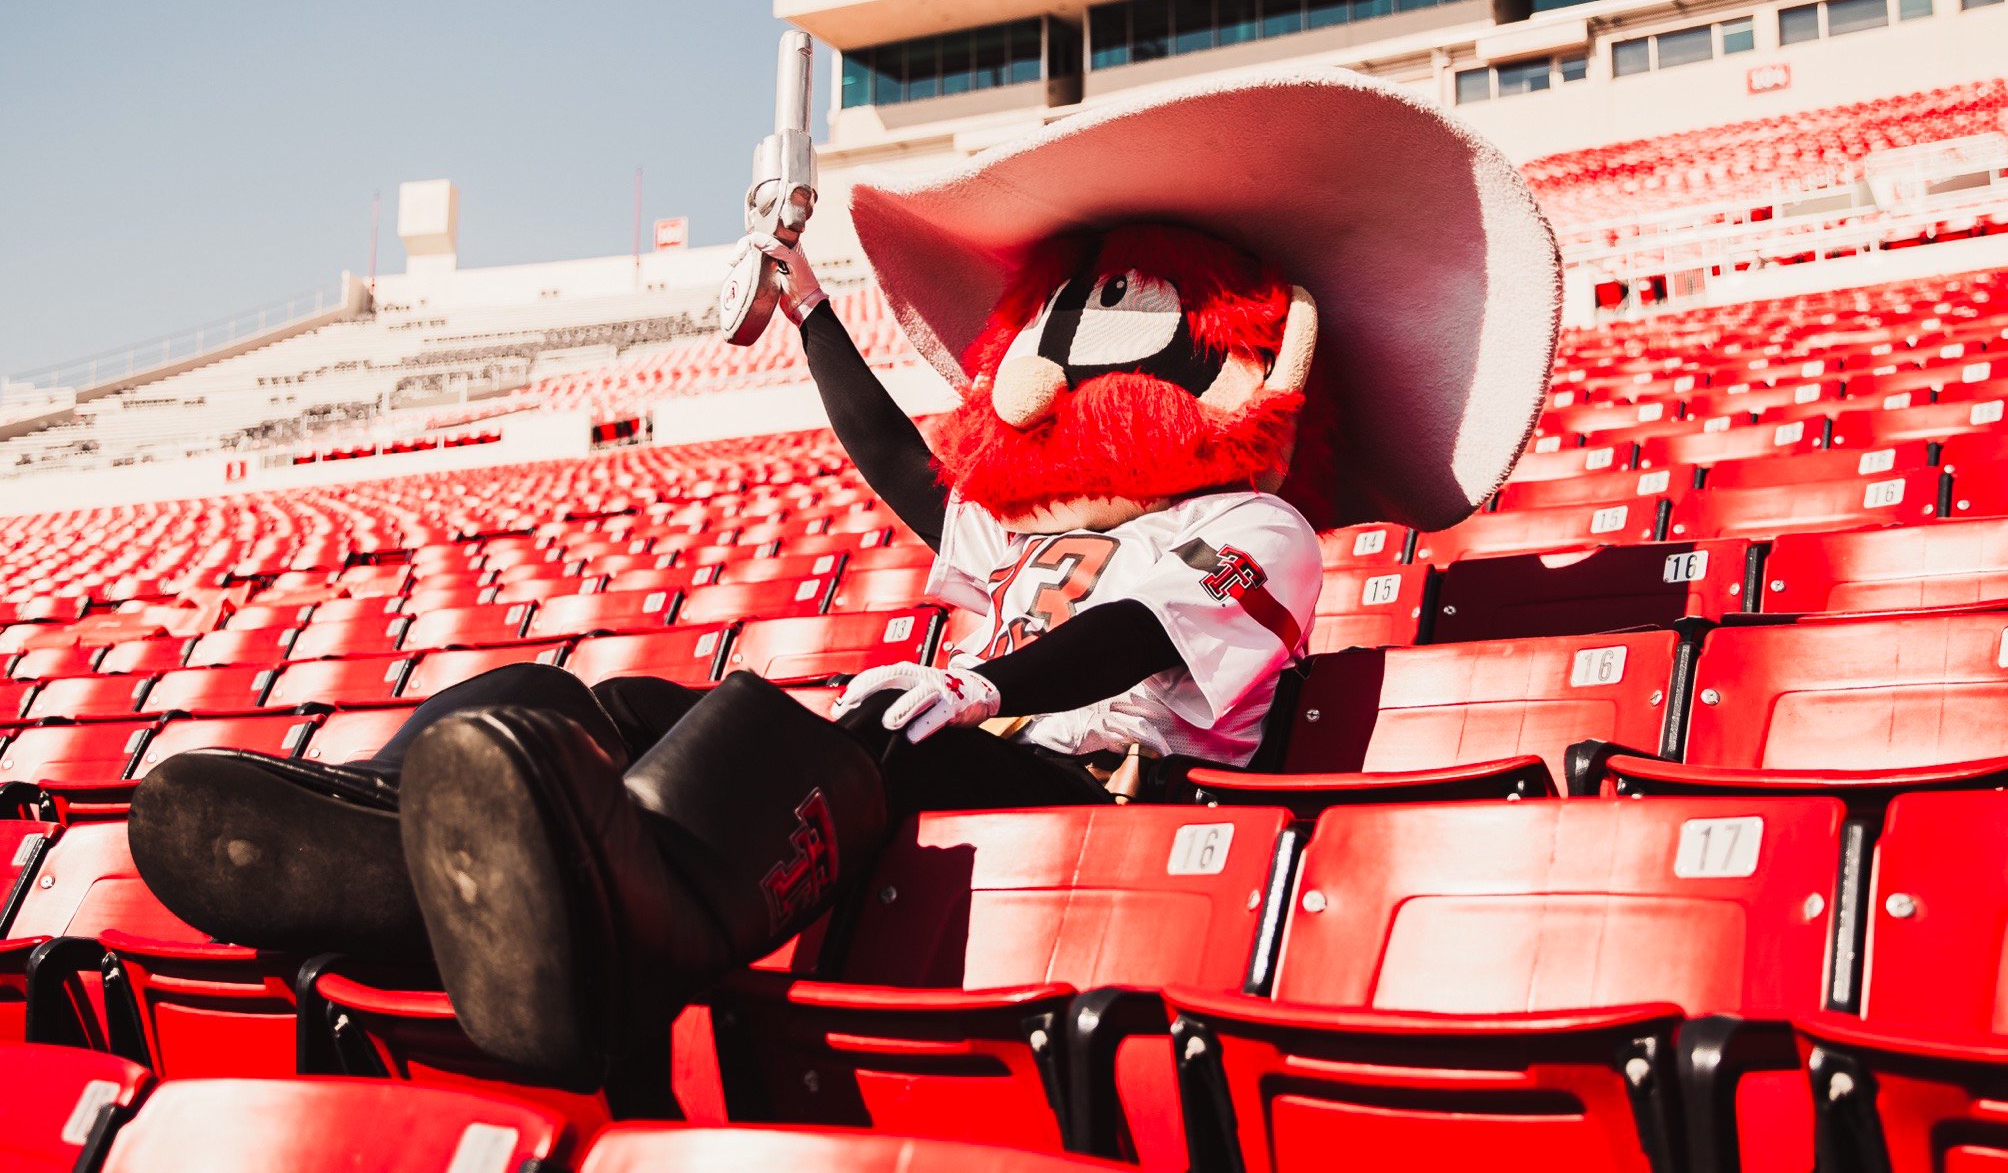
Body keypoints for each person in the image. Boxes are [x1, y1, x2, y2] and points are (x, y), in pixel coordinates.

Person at [127, 68, 1561, 1091]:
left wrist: (980, 678)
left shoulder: (1263, 523)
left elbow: (1130, 635)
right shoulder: (1044, 514)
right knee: (606, 698)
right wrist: (813, 307)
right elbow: (904, 468)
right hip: (961, 743)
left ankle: (633, 943)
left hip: (1101, 787)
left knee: (843, 730)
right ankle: (383, 841)